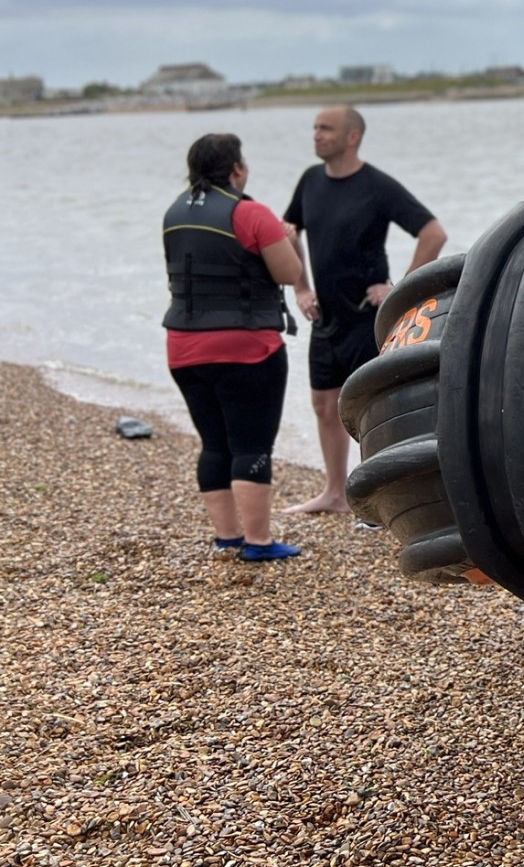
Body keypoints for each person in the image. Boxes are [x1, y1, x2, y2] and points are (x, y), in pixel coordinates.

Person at [283, 106, 447, 515]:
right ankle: (335, 492)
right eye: (315, 127)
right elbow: (287, 233)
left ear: (352, 136)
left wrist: (399, 289)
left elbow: (433, 234)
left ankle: (378, 499)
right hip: (325, 316)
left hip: (366, 317)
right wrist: (301, 286)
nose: (317, 135)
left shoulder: (377, 186)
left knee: (372, 410)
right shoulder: (309, 180)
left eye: (326, 128)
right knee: (324, 405)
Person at [162, 134, 304, 561]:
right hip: (247, 348)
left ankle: (226, 537)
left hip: (183, 348)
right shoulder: (252, 213)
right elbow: (288, 272)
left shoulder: (173, 213)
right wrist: (288, 239)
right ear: (237, 169)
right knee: (251, 445)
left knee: (215, 444)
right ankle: (259, 542)